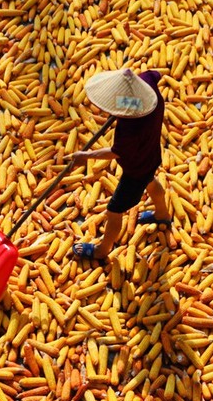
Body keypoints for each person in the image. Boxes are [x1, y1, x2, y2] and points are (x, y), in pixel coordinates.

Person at [71, 68, 171, 262]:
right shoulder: (146, 82)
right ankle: (162, 215)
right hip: (151, 153)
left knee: (114, 210)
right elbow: (155, 73)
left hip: (135, 169)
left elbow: (116, 152)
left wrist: (86, 155)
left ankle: (102, 250)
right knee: (150, 181)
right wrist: (121, 107)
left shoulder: (129, 128)